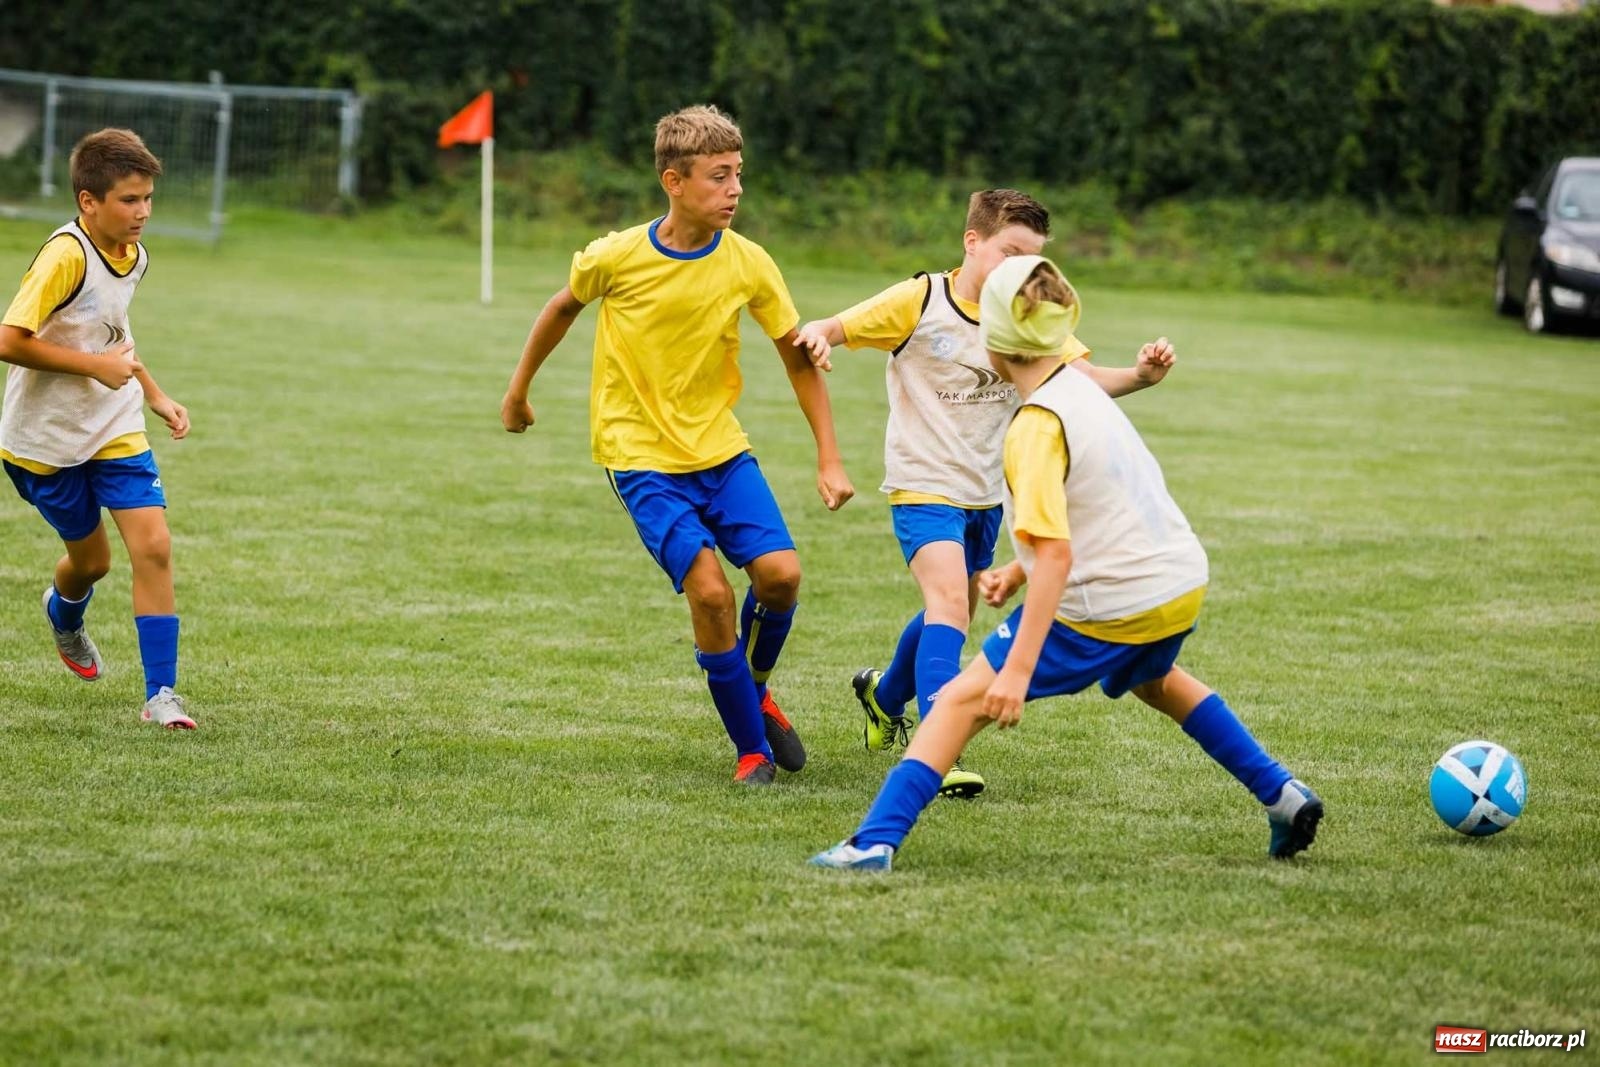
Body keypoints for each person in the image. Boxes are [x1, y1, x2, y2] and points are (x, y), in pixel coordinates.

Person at [809, 255, 1322, 870]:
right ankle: (1282, 794)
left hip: (1111, 597)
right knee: (1156, 681)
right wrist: (1017, 569)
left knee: (955, 704)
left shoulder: (1033, 427)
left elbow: (1057, 552)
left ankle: (872, 844)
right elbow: (1095, 506)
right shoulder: (1079, 392)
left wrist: (1016, 673)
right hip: (1179, 581)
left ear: (992, 340)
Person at [501, 104, 853, 785]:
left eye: (739, 176)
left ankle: (752, 690)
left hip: (720, 450)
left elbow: (795, 356)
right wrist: (518, 393)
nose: (735, 191)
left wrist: (830, 456)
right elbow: (560, 308)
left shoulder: (749, 263)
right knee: (713, 595)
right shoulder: (617, 256)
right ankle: (751, 749)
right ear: (674, 181)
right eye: (719, 178)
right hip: (639, 459)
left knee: (781, 576)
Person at [794, 190, 1173, 798]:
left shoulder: (1021, 315)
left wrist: (1140, 377)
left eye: (1031, 259)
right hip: (923, 485)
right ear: (973, 242)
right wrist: (817, 336)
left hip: (984, 495)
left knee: (955, 609)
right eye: (1010, 252)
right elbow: (830, 327)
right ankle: (937, 747)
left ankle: (884, 694)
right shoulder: (919, 301)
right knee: (949, 602)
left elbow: (1079, 380)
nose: (1020, 270)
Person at [0, 128, 195, 728]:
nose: (142, 213)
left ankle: (161, 696)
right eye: (129, 200)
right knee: (91, 564)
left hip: (114, 426)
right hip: (45, 439)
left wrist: (154, 395)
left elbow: (115, 336)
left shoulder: (135, 256)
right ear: (89, 201)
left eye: (147, 199)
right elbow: (10, 341)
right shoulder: (66, 255)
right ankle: (65, 612)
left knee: (154, 546)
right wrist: (96, 370)